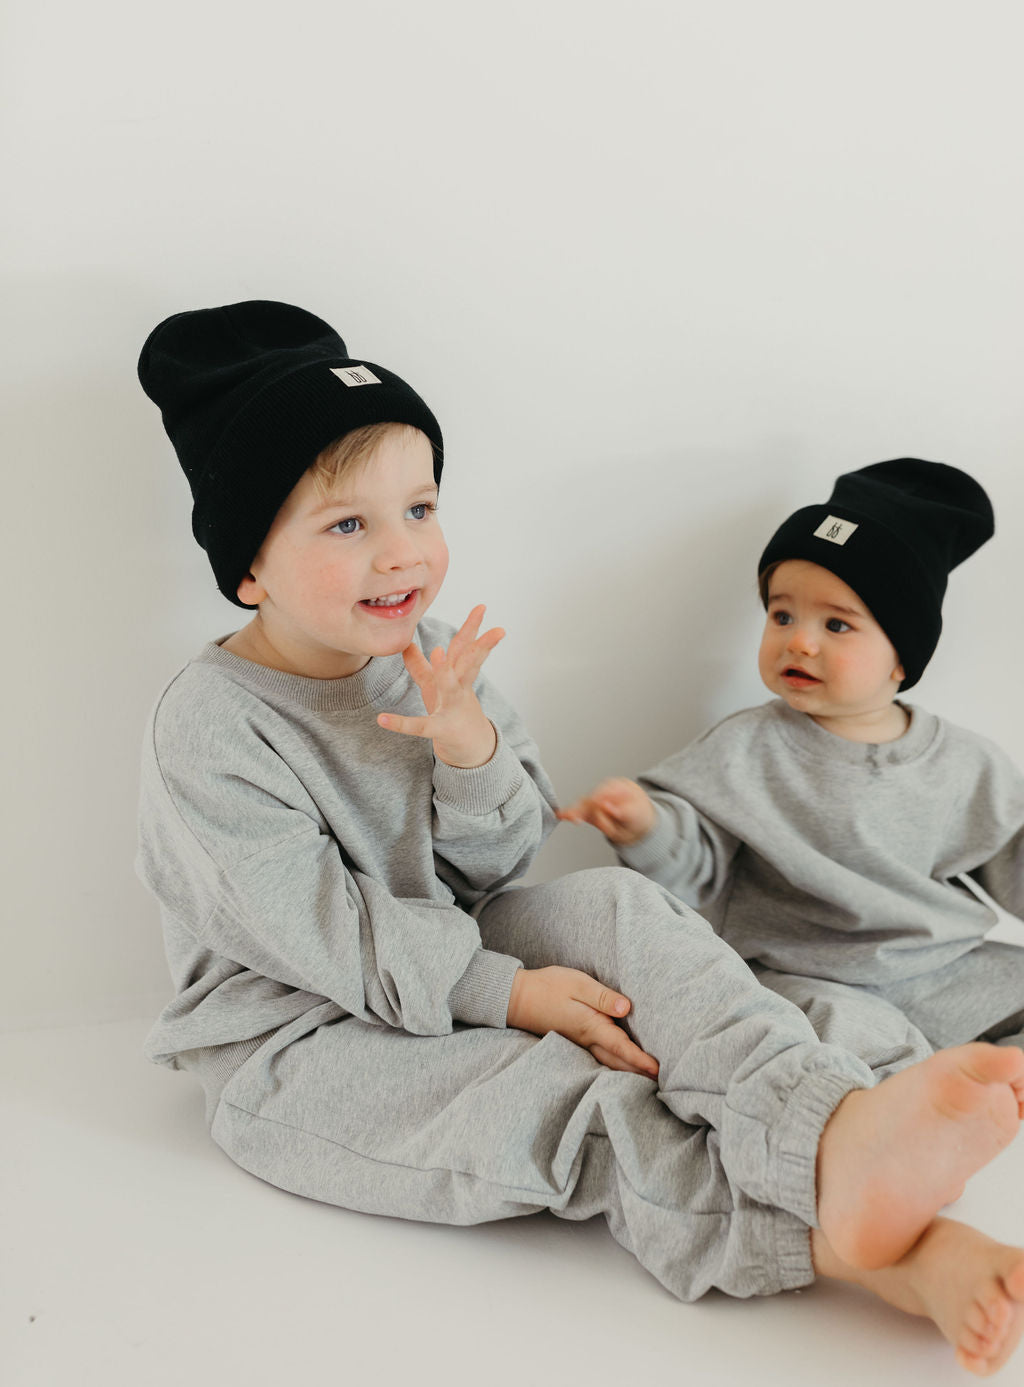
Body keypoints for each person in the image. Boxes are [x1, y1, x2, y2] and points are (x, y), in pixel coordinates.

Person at [137, 310, 1024, 1375]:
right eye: (346, 525)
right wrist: (505, 995)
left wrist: (468, 752)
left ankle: (831, 1126)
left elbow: (500, 866)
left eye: (419, 506)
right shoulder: (211, 721)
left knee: (618, 912)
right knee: (562, 1100)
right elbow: (319, 930)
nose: (404, 551)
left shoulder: (426, 656)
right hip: (294, 1037)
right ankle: (884, 1250)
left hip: (459, 942)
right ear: (249, 570)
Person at [561, 458, 1024, 1082]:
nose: (799, 641)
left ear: (901, 657)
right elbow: (696, 866)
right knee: (828, 1036)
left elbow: (1013, 859)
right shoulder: (748, 747)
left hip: (938, 967)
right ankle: (911, 1094)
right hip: (810, 975)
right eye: (782, 616)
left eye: (836, 624)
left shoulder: (964, 763)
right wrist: (646, 826)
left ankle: (988, 1076)